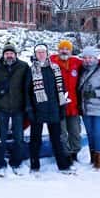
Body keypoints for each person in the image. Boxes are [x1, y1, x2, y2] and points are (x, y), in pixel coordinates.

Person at [50, 40, 100, 163]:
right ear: (58, 50)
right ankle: (65, 154)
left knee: (75, 131)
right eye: (62, 49)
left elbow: (92, 61)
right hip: (58, 104)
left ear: (71, 51)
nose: (64, 51)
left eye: (67, 49)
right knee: (61, 132)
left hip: (73, 104)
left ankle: (74, 152)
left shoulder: (76, 62)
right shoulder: (52, 61)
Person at [25, 44, 73, 174]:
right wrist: (29, 109)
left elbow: (61, 89)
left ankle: (62, 165)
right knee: (35, 140)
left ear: (47, 53)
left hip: (54, 110)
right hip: (37, 110)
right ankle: (34, 165)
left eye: (43, 52)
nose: (41, 54)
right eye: (38, 52)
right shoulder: (31, 70)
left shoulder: (55, 68)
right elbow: (27, 92)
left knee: (57, 139)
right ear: (35, 55)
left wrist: (62, 107)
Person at [0, 43, 29, 176]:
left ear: (15, 54)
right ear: (3, 55)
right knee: (0, 136)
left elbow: (28, 85)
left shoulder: (23, 67)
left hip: (18, 108)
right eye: (7, 53)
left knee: (18, 137)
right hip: (2, 108)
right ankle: (0, 162)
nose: (9, 55)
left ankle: (16, 162)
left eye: (11, 53)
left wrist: (27, 104)